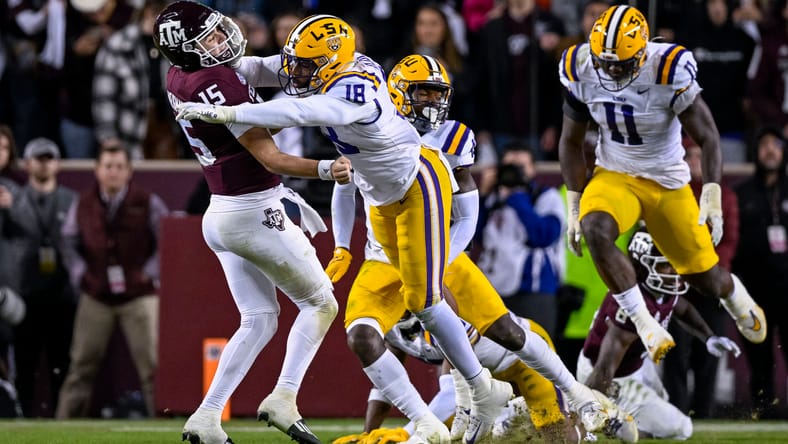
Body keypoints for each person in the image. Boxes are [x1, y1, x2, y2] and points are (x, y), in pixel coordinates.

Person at [176, 15, 527, 442]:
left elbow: (301, 111)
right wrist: (217, 68)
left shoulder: (353, 88)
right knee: (418, 302)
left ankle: (480, 387)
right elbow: (268, 67)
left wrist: (228, 111)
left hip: (417, 184)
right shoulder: (325, 66)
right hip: (381, 197)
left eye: (306, 65)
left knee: (425, 300)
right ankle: (478, 388)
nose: (296, 72)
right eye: (298, 62)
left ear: (331, 62)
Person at [321, 54, 629, 443]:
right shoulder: (367, 126)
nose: (433, 102)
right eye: (423, 93)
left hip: (438, 252)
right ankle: (451, 420)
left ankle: (576, 396)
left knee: (506, 332)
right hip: (382, 258)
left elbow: (467, 216)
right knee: (363, 336)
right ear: (397, 93)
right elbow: (343, 184)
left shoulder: (450, 139)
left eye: (438, 94)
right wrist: (342, 246)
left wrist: (436, 261)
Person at [152, 3, 352, 443]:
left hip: (222, 212)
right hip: (253, 209)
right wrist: (325, 169)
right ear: (187, 49)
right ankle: (284, 396)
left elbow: (256, 74)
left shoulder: (179, 75)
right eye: (208, 38)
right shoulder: (216, 81)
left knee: (259, 318)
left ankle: (206, 417)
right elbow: (270, 156)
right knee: (321, 304)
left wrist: (315, 66)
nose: (220, 39)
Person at [557, 4, 766, 364]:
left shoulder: (668, 68)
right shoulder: (580, 65)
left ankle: (735, 295)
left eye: (621, 64)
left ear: (641, 54)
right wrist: (575, 204)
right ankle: (644, 323)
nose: (611, 71)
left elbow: (708, 137)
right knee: (595, 228)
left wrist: (711, 195)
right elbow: (570, 140)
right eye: (605, 63)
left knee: (705, 279)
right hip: (616, 174)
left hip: (666, 181)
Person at [577, 228, 742, 439]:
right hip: (612, 378)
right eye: (664, 265)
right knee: (682, 428)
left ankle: (625, 424)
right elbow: (604, 369)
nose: (673, 271)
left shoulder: (659, 289)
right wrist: (585, 415)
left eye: (673, 263)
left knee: (661, 402)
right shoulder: (631, 308)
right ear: (641, 267)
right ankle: (612, 425)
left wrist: (708, 337)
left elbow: (683, 309)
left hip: (634, 365)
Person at [55, 144, 168, 419]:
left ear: (129, 171)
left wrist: (149, 273)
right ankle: (62, 426)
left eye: (119, 166)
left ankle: (163, 424)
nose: (113, 172)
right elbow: (67, 241)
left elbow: (166, 239)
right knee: (80, 367)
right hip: (96, 294)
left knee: (152, 368)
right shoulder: (83, 202)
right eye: (107, 166)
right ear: (97, 170)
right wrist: (81, 274)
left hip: (139, 295)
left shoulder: (148, 201)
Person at [662, 138, 740, 418]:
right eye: (688, 156)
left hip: (709, 285)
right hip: (678, 285)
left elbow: (729, 241)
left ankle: (704, 413)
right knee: (675, 352)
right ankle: (676, 413)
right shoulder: (670, 193)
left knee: (709, 356)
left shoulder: (723, 196)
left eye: (698, 156)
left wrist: (707, 272)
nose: (694, 161)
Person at [2, 138, 76, 417]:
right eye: (38, 159)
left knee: (62, 361)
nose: (43, 164)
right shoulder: (14, 198)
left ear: (57, 164)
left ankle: (61, 417)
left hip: (62, 293)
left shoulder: (71, 200)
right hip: (26, 292)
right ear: (27, 163)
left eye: (48, 158)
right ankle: (24, 416)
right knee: (25, 362)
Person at [475, 144, 565, 338]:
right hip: (493, 287)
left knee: (537, 348)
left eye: (521, 167)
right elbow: (475, 237)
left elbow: (544, 237)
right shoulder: (492, 198)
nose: (514, 172)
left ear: (532, 169)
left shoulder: (546, 196)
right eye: (509, 166)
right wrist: (481, 196)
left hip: (533, 289)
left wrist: (517, 198)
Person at [733, 126, 788, 419]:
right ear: (756, 152)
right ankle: (762, 414)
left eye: (775, 144)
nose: (770, 150)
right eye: (764, 144)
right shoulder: (741, 193)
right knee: (759, 360)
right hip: (755, 291)